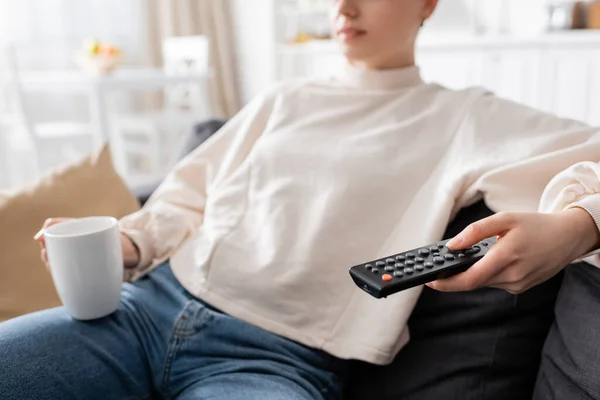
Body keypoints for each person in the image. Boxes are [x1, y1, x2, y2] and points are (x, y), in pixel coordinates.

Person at [2, 0, 600, 399]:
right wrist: (126, 243)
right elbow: (183, 199)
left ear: (427, 4)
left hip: (268, 361)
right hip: (138, 311)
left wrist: (579, 225)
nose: (343, 6)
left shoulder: (471, 116)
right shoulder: (284, 97)